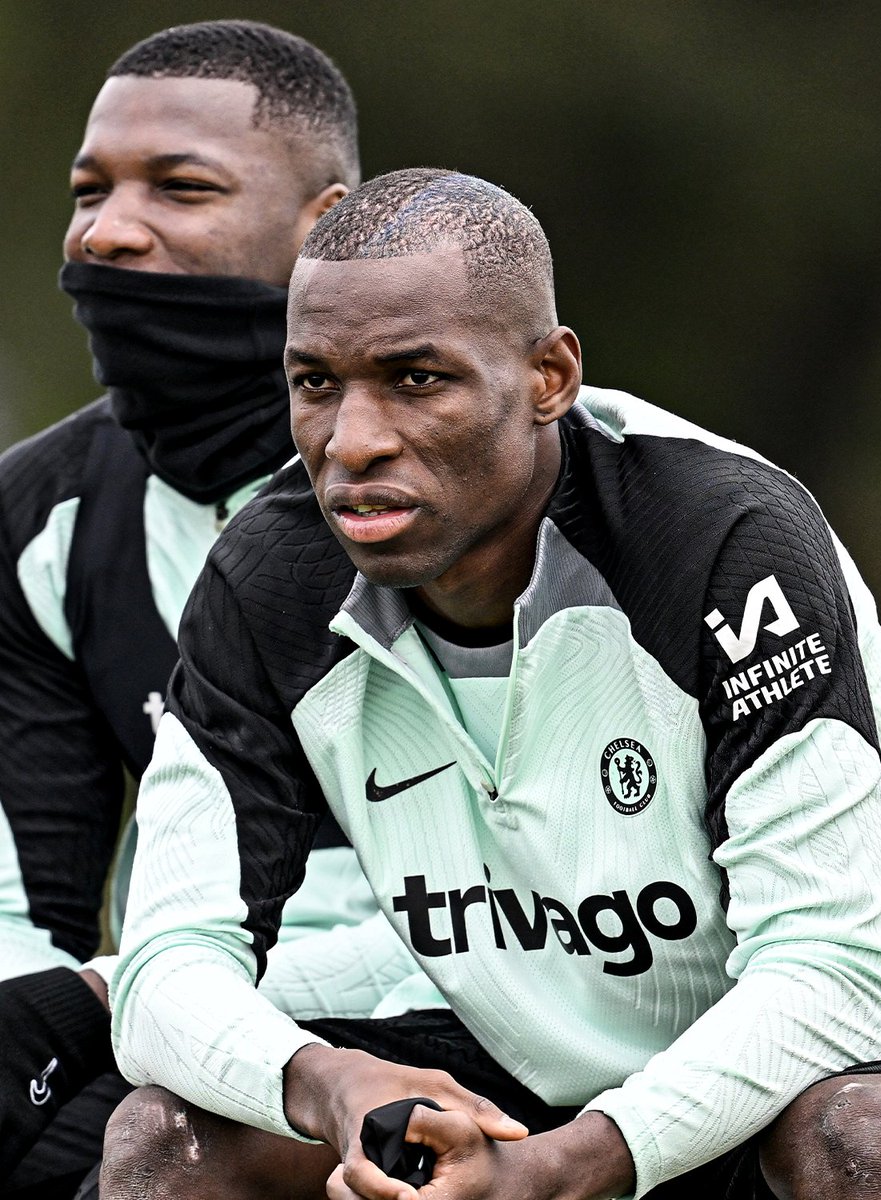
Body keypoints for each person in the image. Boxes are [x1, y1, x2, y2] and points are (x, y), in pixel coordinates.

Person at [102, 168, 881, 1200]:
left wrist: (556, 1173)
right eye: (316, 382)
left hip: (841, 1056)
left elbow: (829, 974)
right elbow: (163, 969)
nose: (353, 441)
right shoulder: (268, 581)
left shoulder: (725, 538)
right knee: (166, 1138)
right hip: (533, 1076)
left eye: (417, 379)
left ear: (550, 376)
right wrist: (326, 1083)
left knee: (868, 1134)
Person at [0, 24, 427, 1199]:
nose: (108, 230)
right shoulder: (43, 515)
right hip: (180, 1020)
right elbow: (29, 910)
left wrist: (115, 995)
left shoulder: (496, 492)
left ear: (323, 226)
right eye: (90, 191)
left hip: (504, 1021)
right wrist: (90, 1004)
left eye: (180, 188)